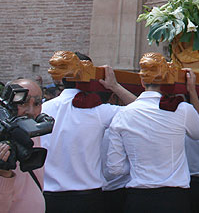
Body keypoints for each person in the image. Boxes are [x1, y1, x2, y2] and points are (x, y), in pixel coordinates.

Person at [41, 57, 136, 213]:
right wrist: (115, 86)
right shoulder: (98, 111)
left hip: (49, 197)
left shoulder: (44, 108)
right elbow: (143, 112)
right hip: (87, 198)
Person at [106, 68, 199, 213]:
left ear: (142, 81)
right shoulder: (182, 109)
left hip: (138, 198)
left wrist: (139, 165)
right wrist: (192, 91)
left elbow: (115, 168)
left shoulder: (122, 115)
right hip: (174, 198)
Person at [0, 78, 46, 213]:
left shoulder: (35, 133)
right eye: (24, 102)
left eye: (37, 103)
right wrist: (4, 173)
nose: (30, 111)